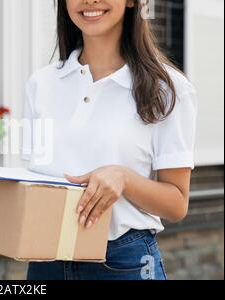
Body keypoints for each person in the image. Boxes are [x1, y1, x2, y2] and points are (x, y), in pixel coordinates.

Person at [21, 0, 198, 280]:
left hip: (121, 263)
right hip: (46, 260)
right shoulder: (41, 84)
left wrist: (123, 178)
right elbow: (35, 179)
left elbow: (177, 204)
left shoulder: (168, 89)